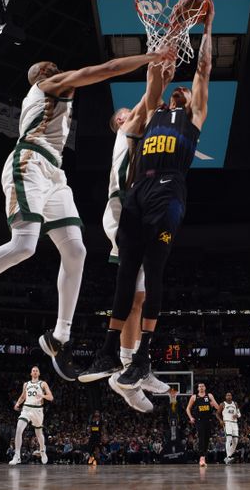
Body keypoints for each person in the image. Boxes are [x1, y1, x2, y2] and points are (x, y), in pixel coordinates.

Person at [0, 46, 175, 382]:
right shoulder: (46, 87)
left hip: (54, 171)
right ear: (40, 78)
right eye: (46, 67)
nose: (52, 66)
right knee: (25, 245)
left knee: (76, 251)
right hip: (29, 162)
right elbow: (108, 67)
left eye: (53, 64)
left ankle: (60, 337)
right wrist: (149, 57)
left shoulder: (58, 97)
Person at [81, 0, 216, 388]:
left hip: (169, 189)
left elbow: (204, 70)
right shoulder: (150, 113)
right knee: (126, 274)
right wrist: (170, 36)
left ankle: (141, 358)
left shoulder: (194, 115)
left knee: (153, 272)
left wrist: (205, 29)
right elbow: (155, 75)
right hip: (138, 190)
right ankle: (109, 352)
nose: (182, 92)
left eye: (186, 91)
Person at [85, 62, 176, 410]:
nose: (132, 113)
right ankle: (127, 370)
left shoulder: (143, 135)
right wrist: (159, 68)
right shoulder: (127, 131)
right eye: (126, 112)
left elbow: (154, 104)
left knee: (140, 297)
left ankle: (133, 367)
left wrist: (163, 79)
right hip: (123, 214)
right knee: (136, 295)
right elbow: (149, 100)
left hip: (137, 213)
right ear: (120, 122)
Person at [10, 366, 53, 465]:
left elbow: (50, 397)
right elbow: (23, 396)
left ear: (39, 373)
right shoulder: (26, 384)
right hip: (26, 408)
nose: (34, 372)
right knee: (19, 429)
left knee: (39, 434)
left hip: (37, 410)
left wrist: (42, 395)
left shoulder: (42, 383)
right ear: (31, 373)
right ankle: (17, 456)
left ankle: (42, 450)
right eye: (33, 371)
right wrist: (17, 403)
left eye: (36, 371)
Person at [186, 383, 219, 467]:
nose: (201, 388)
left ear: (205, 388)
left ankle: (203, 456)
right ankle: (201, 457)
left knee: (207, 438)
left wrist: (213, 404)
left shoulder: (209, 395)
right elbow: (188, 408)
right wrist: (191, 417)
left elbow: (217, 407)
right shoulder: (194, 397)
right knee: (201, 436)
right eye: (199, 386)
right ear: (197, 388)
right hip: (199, 420)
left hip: (208, 420)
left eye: (202, 386)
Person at [218, 392, 241, 464]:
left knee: (236, 441)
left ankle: (229, 456)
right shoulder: (223, 404)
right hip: (227, 422)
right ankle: (228, 457)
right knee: (229, 439)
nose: (229, 396)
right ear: (225, 397)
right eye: (227, 395)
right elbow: (217, 413)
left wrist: (237, 415)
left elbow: (239, 414)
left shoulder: (235, 404)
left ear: (232, 396)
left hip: (234, 423)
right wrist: (220, 420)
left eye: (230, 395)